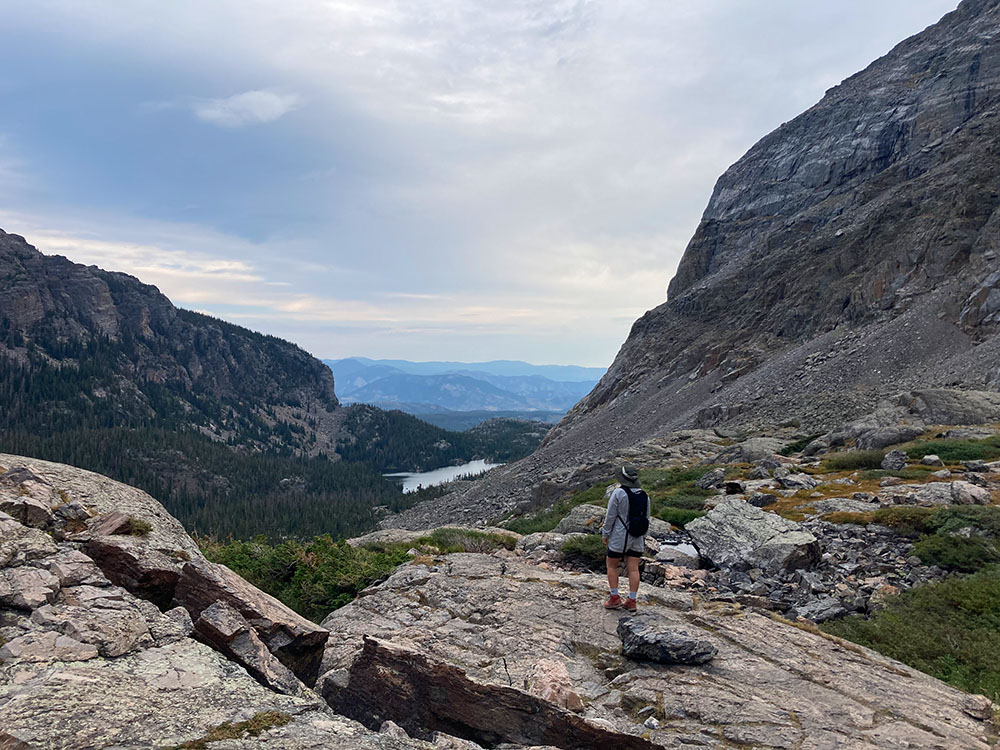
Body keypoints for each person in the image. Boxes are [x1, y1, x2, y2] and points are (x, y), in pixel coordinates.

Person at [601, 463, 649, 612]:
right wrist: (643, 536)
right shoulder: (644, 495)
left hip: (620, 536)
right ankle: (632, 600)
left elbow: (610, 516)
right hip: (637, 536)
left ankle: (614, 598)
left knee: (611, 565)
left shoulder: (619, 493)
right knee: (633, 569)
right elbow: (647, 517)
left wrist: (605, 533)